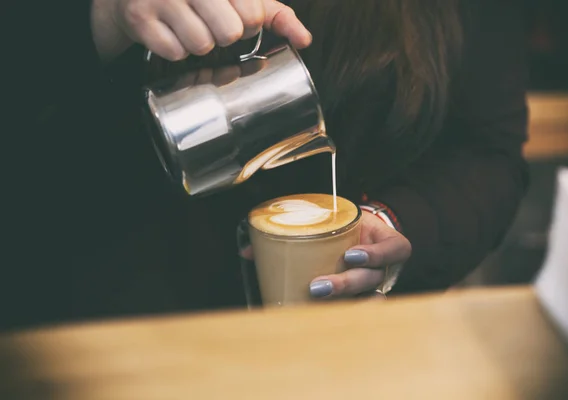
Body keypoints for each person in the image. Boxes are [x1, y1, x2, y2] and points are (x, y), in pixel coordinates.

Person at [1, 0, 528, 330]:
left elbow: (486, 151)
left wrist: (394, 224)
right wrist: (98, 17)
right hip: (101, 332)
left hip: (348, 356)